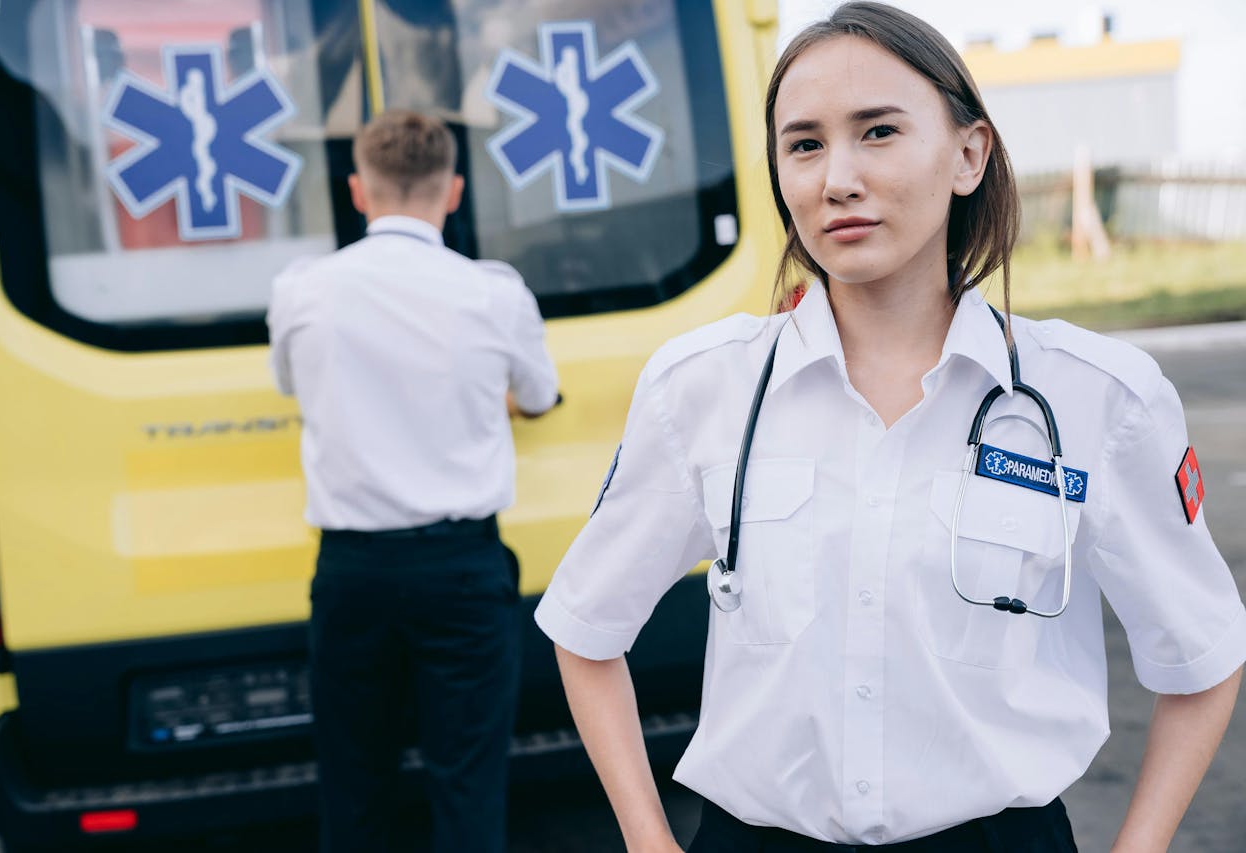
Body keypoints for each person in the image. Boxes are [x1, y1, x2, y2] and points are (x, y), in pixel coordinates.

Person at [533, 3, 1245, 851]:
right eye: (804, 144)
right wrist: (650, 841)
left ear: (969, 154)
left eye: (877, 132)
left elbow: (1202, 657)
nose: (837, 177)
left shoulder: (1099, 400)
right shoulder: (701, 389)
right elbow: (585, 631)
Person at [268, 108, 559, 853]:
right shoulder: (495, 293)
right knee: (467, 783)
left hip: (352, 571)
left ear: (359, 190)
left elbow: (292, 383)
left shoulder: (302, 290)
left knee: (353, 784)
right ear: (454, 191)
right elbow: (536, 396)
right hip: (461, 571)